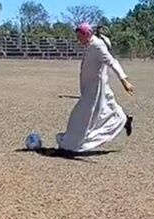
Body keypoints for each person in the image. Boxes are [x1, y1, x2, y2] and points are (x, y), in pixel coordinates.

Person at [56, 23, 135, 153]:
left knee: (80, 116)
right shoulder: (90, 45)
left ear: (87, 35)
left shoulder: (97, 46)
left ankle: (71, 144)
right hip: (94, 85)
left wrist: (124, 80)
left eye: (80, 37)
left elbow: (112, 62)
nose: (78, 40)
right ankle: (124, 119)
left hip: (95, 88)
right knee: (107, 108)